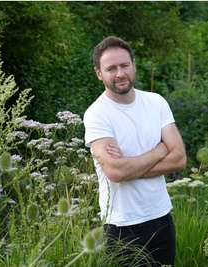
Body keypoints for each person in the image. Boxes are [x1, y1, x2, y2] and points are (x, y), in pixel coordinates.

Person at [83, 36, 187, 267]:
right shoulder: (97, 114)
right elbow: (116, 172)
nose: (120, 73)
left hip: (161, 218)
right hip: (122, 226)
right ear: (99, 73)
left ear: (134, 65)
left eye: (124, 65)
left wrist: (130, 166)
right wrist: (161, 150)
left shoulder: (156, 102)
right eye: (111, 68)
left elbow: (179, 158)